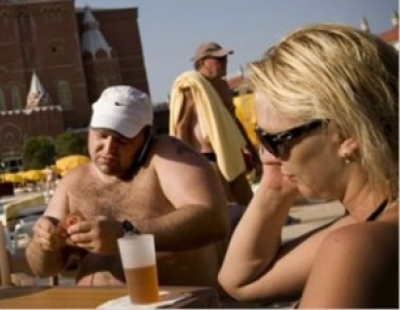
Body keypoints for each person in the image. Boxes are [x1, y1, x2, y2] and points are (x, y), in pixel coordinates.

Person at [218, 23, 398, 308]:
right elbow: (240, 282)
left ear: (346, 134)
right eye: (261, 138)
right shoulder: (370, 219)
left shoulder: (356, 246)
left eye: (275, 140)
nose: (268, 157)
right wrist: (275, 185)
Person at [25, 86, 230, 288]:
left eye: (122, 140)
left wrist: (126, 233)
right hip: (95, 302)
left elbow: (214, 219)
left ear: (146, 137)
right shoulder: (74, 181)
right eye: (102, 135)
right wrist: (43, 243)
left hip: (170, 299)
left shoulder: (168, 157)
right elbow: (42, 269)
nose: (108, 148)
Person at [169, 42, 257, 206]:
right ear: (203, 62)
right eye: (219, 60)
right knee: (225, 209)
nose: (225, 63)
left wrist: (252, 152)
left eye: (225, 59)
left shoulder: (223, 86)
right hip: (207, 159)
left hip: (231, 155)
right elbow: (181, 127)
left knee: (249, 204)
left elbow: (233, 121)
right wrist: (184, 166)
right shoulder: (192, 87)